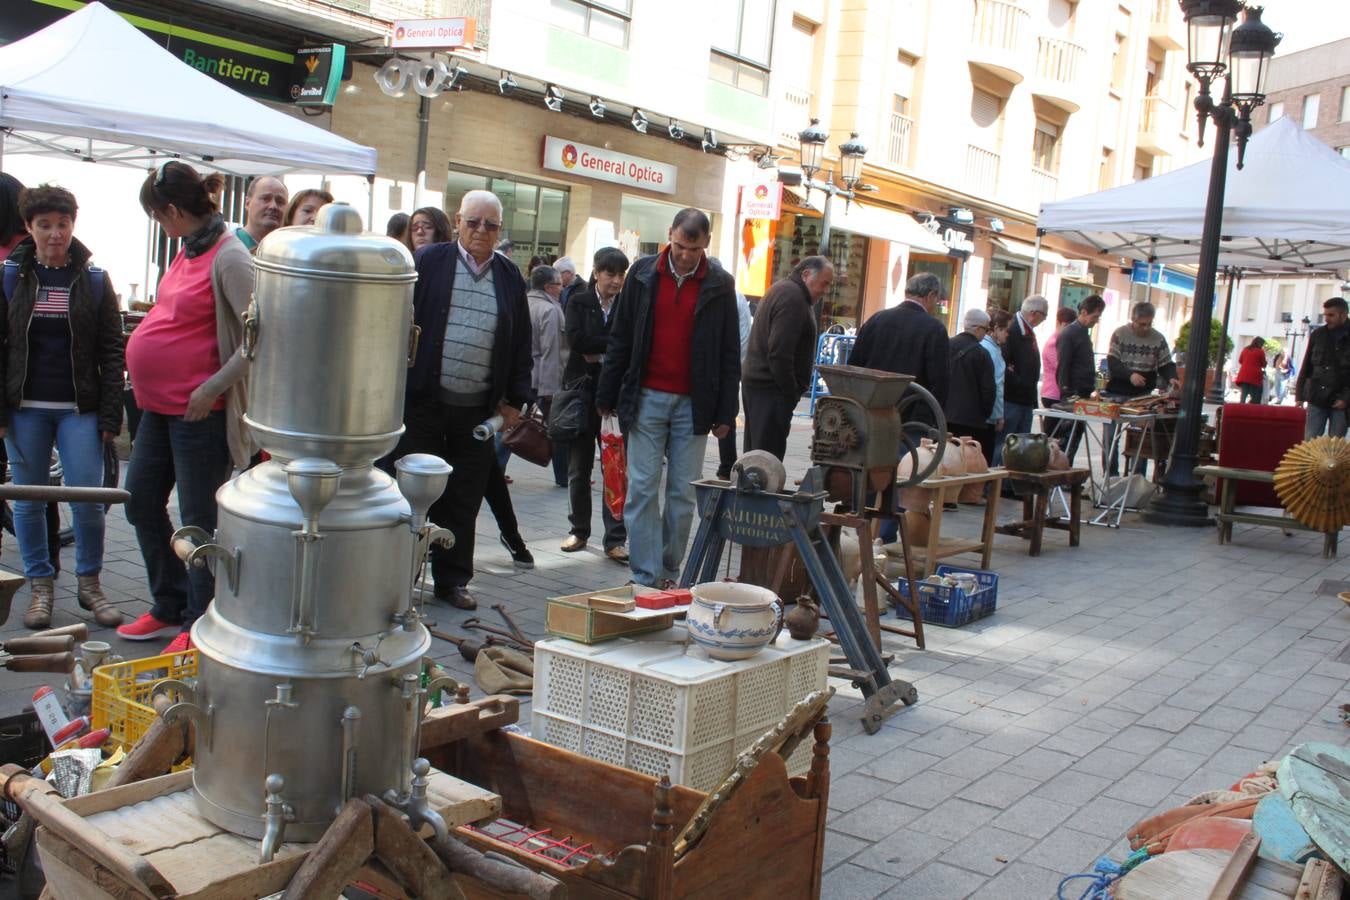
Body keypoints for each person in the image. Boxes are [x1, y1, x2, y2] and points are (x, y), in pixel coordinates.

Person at [118, 161, 254, 653]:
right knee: (139, 501)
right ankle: (168, 602)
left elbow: (259, 340)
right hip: (158, 408)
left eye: (159, 217)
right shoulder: (188, 249)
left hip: (200, 413)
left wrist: (210, 389)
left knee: (197, 521)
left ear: (172, 210)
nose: (161, 226)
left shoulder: (230, 257)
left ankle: (200, 622)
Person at [394, 190, 532, 610]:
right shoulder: (429, 261)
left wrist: (514, 402)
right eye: (473, 222)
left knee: (464, 496)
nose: (480, 231)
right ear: (458, 221)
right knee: (411, 491)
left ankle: (452, 580)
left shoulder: (510, 276)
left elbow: (522, 343)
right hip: (423, 403)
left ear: (500, 230)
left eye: (490, 225)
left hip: (477, 410)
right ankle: (399, 576)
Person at [0, 185, 124, 630]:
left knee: (88, 500)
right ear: (29, 228)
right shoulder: (9, 277)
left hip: (79, 409)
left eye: (63, 224)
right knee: (30, 503)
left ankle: (90, 584)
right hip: (24, 409)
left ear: (74, 224)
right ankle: (40, 587)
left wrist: (111, 415)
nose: (55, 234)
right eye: (45, 225)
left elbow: (112, 349)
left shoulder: (93, 280)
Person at [596, 209, 739, 588]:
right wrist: (606, 393)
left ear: (706, 243)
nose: (685, 255)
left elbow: (728, 352)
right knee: (642, 488)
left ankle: (669, 571)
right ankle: (645, 575)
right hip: (646, 397)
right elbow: (621, 338)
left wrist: (727, 410)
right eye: (679, 246)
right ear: (669, 236)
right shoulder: (643, 274)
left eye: (693, 248)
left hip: (694, 404)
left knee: (682, 494)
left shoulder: (721, 284)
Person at [561, 247, 629, 561]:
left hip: (614, 398)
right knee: (579, 469)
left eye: (620, 274)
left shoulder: (628, 305)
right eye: (610, 273)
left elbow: (628, 344)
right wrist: (611, 347)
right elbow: (577, 340)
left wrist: (604, 349)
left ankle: (615, 538)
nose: (616, 281)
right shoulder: (579, 301)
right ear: (597, 273)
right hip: (581, 394)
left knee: (614, 469)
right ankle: (579, 530)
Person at [741, 256, 833, 460]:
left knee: (758, 456)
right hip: (770, 390)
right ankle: (758, 492)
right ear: (806, 275)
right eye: (824, 284)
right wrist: (790, 392)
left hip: (764, 387)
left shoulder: (787, 291)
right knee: (765, 460)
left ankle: (755, 490)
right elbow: (779, 353)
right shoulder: (792, 297)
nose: (825, 291)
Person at [848, 272, 950, 421]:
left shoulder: (876, 319)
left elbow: (854, 364)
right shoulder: (934, 329)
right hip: (910, 414)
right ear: (931, 295)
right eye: (937, 299)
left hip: (870, 407)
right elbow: (939, 380)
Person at [527, 264, 569, 487]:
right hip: (543, 379)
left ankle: (492, 470)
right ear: (548, 286)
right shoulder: (550, 310)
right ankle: (563, 476)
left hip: (524, 376)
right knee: (558, 430)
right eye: (559, 285)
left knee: (515, 425)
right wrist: (550, 389)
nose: (562, 289)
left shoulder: (524, 302)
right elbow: (551, 351)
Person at [713, 258, 752, 480]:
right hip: (728, 366)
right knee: (726, 416)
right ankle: (726, 464)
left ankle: (727, 464)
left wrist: (732, 367)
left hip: (726, 367)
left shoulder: (733, 298)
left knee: (726, 416)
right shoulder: (737, 298)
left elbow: (742, 336)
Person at [997, 295, 1047, 465]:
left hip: (1025, 398)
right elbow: (1002, 362)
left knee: (1021, 445)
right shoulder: (1013, 329)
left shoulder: (1027, 331)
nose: (1043, 320)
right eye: (1043, 316)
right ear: (1034, 313)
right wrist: (1018, 381)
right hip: (1012, 398)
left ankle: (1011, 485)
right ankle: (998, 483)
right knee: (1006, 443)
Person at [1055, 295, 1105, 463]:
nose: (1096, 321)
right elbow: (1063, 364)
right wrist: (1066, 391)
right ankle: (1061, 472)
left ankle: (1067, 471)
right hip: (1072, 393)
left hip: (1082, 392)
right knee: (1067, 437)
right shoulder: (1070, 333)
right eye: (1095, 316)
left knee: (1075, 436)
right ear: (1084, 312)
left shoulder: (1082, 332)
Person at [944, 308, 996, 457]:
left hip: (943, 415)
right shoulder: (982, 354)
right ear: (978, 329)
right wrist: (985, 413)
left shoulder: (945, 345)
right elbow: (988, 390)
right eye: (986, 329)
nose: (986, 334)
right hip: (971, 419)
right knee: (967, 461)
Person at [1296, 296, 1349, 439]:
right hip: (1317, 397)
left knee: (1335, 447)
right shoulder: (1318, 335)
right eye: (1325, 315)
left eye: (1331, 315)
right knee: (1310, 442)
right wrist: (1299, 395)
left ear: (1343, 315)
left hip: (1341, 400)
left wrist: (1346, 398)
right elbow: (1307, 365)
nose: (1326, 318)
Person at [980, 309, 1011, 464]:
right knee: (986, 456)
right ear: (997, 328)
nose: (1007, 335)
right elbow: (997, 386)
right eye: (1006, 330)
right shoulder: (992, 351)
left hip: (977, 412)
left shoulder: (984, 346)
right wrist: (998, 415)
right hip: (988, 415)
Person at [233, 175, 288, 254]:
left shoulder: (288, 252)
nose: (273, 206)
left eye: (280, 201)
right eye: (265, 198)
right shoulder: (226, 246)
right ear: (247, 203)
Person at [1235, 336, 1267, 404]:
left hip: (1244, 374)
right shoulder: (1260, 351)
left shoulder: (1245, 349)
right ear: (1260, 344)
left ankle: (1241, 407)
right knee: (1255, 395)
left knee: (1244, 394)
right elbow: (1264, 364)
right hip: (1255, 376)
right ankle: (1252, 408)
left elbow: (1240, 361)